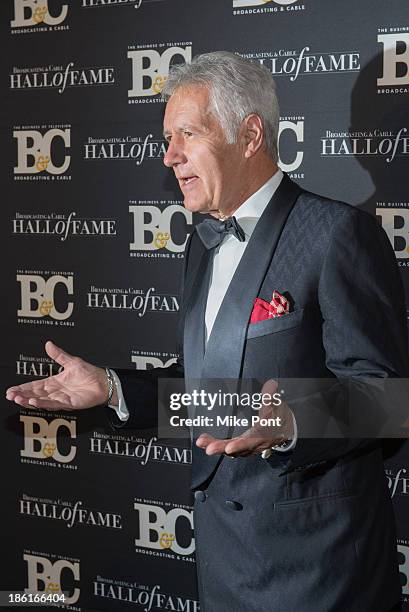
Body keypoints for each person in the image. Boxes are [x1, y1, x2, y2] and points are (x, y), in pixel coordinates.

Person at [6, 52, 408, 612]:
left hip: (322, 572)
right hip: (223, 568)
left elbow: (388, 400)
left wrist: (295, 417)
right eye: (166, 138)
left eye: (186, 135)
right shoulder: (200, 245)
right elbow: (209, 391)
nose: (168, 156)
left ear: (249, 136)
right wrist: (115, 389)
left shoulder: (338, 234)